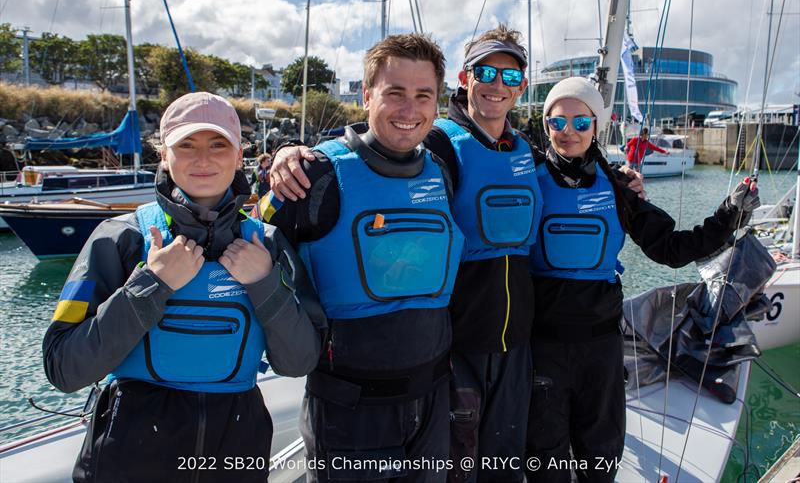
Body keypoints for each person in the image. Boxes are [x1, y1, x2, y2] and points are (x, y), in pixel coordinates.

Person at [268, 25, 646, 483]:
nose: (497, 84)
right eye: (486, 71)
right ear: (466, 79)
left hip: (516, 345)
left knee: (504, 466)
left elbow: (575, 166)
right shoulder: (438, 144)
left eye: (510, 77)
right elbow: (382, 148)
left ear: (522, 87)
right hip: (455, 346)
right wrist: (290, 153)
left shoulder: (527, 150)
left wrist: (620, 179)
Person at [43, 92, 326, 483]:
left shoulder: (269, 244)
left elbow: (299, 363)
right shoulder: (120, 238)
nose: (203, 159)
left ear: (239, 153)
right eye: (186, 145)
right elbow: (64, 368)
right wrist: (151, 285)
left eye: (218, 145)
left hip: (235, 453)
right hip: (130, 456)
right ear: (163, 155)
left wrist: (264, 284)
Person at [525, 77, 760, 483]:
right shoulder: (526, 177)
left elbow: (670, 248)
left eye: (581, 122)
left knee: (600, 455)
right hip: (542, 349)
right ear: (545, 125)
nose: (568, 132)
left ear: (597, 126)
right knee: (546, 461)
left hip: (599, 350)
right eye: (557, 122)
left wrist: (728, 215)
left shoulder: (618, 188)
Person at [255, 33, 463, 482]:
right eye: (395, 94)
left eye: (423, 96)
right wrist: (279, 160)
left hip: (431, 405)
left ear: (437, 102)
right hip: (349, 414)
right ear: (367, 96)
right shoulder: (316, 173)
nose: (410, 110)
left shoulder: (442, 170)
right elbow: (248, 234)